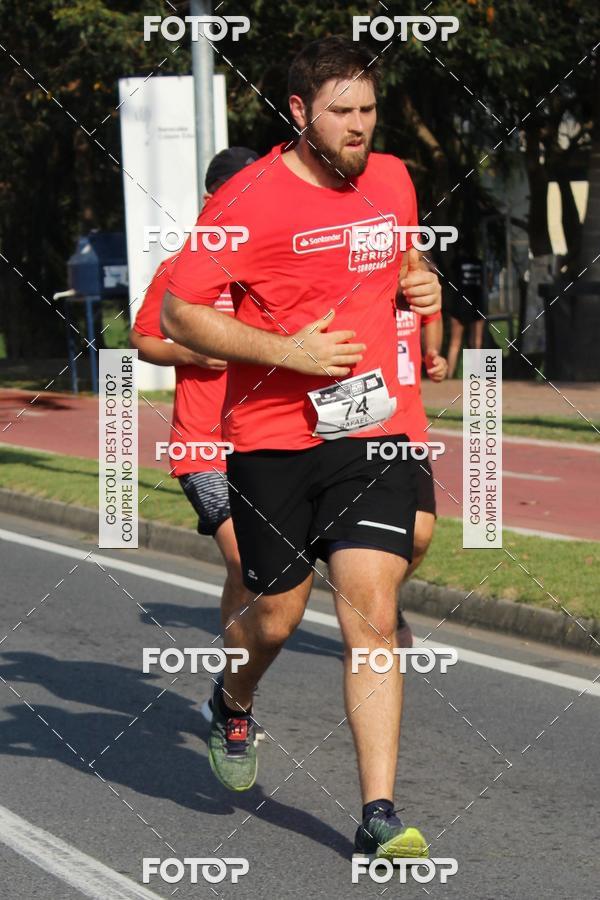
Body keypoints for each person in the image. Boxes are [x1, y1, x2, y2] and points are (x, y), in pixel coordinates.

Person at [162, 37, 441, 861]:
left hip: (372, 434)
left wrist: (418, 281)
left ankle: (379, 813)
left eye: (368, 112)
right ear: (298, 112)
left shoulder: (391, 176)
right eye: (342, 113)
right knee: (276, 616)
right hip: (274, 441)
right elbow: (181, 315)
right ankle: (234, 699)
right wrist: (287, 353)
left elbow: (400, 256)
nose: (359, 128)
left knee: (372, 616)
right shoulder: (245, 200)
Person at [129, 147, 264, 741]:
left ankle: (228, 692)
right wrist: (189, 351)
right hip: (202, 445)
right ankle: (232, 703)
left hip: (264, 440)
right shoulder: (188, 263)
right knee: (243, 561)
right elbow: (143, 338)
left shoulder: (268, 263)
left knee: (263, 578)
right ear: (214, 200)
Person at [394, 291, 448, 647]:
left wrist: (435, 358)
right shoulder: (358, 285)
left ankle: (386, 592)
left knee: (422, 533)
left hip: (409, 429)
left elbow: (432, 324)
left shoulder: (418, 291)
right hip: (359, 430)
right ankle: (371, 599)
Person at [447, 253, 484, 377]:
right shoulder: (479, 262)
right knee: (477, 342)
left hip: (460, 303)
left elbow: (451, 280)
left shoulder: (457, 261)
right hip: (476, 301)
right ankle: (477, 375)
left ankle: (449, 375)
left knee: (455, 343)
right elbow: (487, 282)